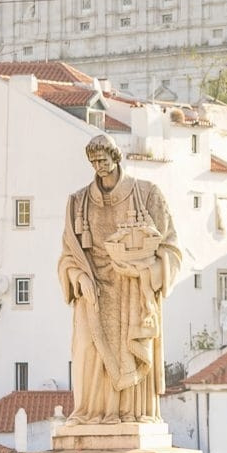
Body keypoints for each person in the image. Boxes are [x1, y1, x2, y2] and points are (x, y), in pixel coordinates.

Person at [58, 138, 182, 423]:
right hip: (94, 291)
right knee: (87, 350)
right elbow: (67, 256)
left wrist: (146, 272)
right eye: (94, 163)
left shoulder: (147, 194)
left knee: (131, 351)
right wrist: (78, 278)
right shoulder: (78, 202)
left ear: (115, 157)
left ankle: (131, 413)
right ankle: (91, 413)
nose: (99, 167)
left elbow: (172, 248)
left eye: (103, 160)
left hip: (132, 291)